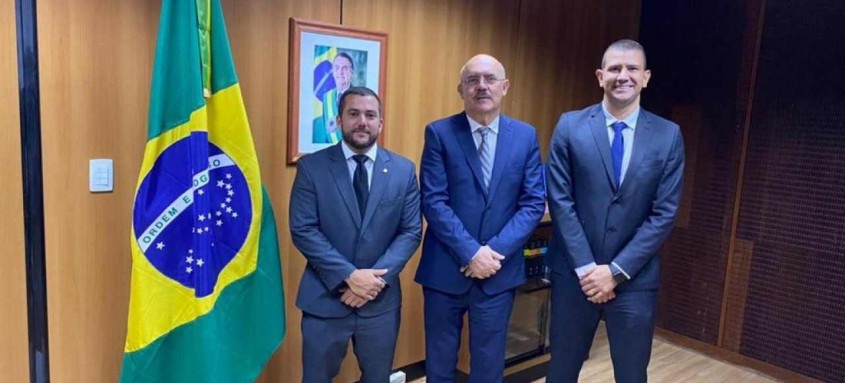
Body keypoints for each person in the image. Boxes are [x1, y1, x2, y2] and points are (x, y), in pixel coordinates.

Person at [545, 39, 685, 383]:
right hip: (575, 276)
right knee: (561, 371)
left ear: (646, 77)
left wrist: (617, 271)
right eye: (614, 69)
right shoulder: (570, 126)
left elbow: (664, 213)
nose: (623, 76)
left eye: (632, 68)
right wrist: (587, 269)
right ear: (600, 76)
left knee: (632, 374)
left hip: (634, 279)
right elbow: (560, 200)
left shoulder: (668, 136)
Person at [415, 54, 546, 382]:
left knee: (489, 367)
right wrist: (472, 253)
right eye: (473, 80)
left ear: (505, 87)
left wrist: (492, 254)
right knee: (440, 364)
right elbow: (433, 200)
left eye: (490, 79)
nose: (482, 86)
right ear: (461, 89)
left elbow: (532, 203)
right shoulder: (440, 133)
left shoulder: (525, 136)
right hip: (445, 270)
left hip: (498, 275)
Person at [290, 86, 422, 383]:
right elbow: (303, 229)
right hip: (324, 299)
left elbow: (411, 231)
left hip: (380, 303)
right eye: (353, 114)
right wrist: (350, 276)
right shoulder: (312, 168)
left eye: (370, 115)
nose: (362, 121)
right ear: (339, 121)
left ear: (380, 123)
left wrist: (372, 283)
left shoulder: (402, 170)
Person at [313, 52, 355, 144]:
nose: (340, 72)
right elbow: (326, 131)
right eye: (337, 68)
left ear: (352, 72)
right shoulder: (327, 97)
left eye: (345, 68)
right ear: (332, 71)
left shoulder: (358, 97)